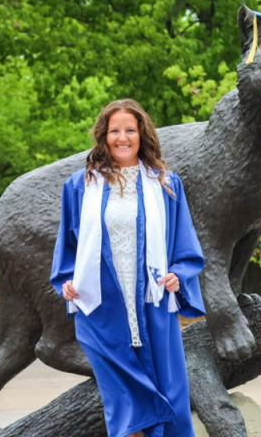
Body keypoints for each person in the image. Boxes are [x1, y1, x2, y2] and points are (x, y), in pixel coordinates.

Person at [49, 98, 206, 437]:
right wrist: (65, 281)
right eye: (114, 130)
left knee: (168, 391)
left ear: (142, 134)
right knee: (123, 402)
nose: (122, 137)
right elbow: (68, 245)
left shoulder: (165, 183)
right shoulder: (80, 185)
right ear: (103, 136)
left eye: (130, 130)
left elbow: (184, 242)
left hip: (153, 303)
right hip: (101, 308)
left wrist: (179, 274)